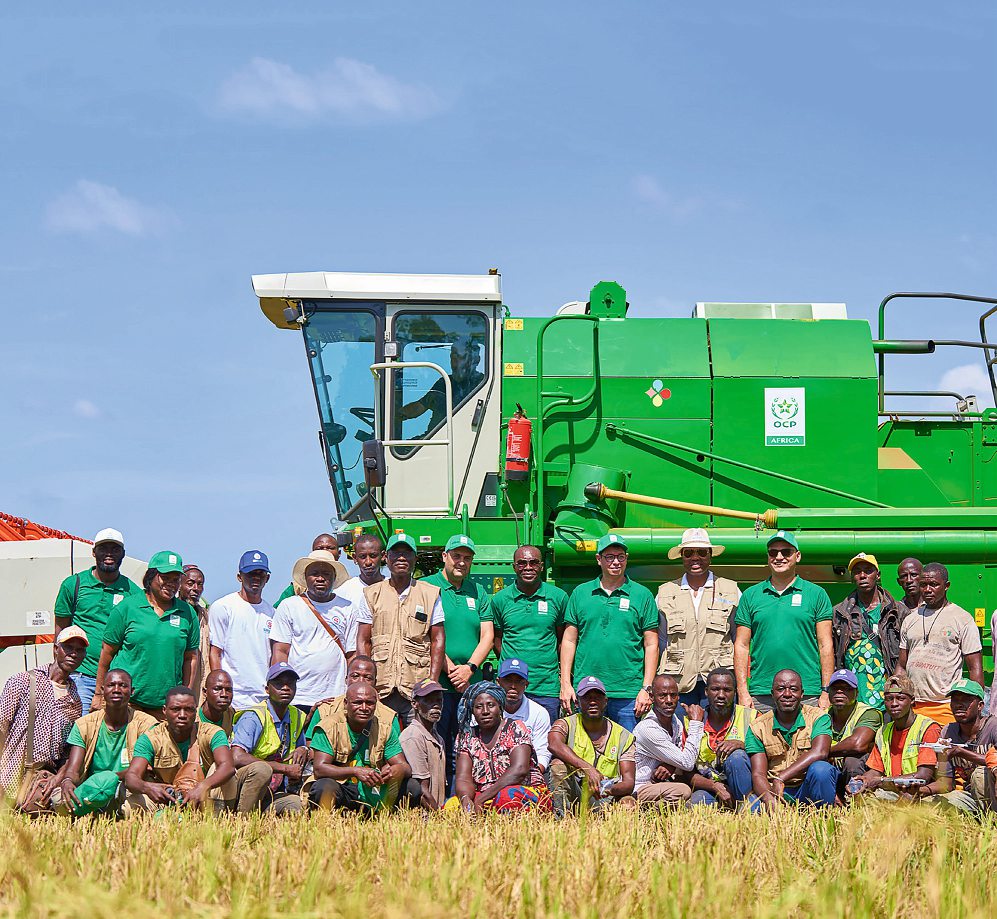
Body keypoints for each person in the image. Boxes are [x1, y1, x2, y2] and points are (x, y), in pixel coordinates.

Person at [560, 534, 658, 731]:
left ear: (627, 558)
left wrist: (646, 688)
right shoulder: (581, 593)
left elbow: (651, 644)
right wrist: (565, 684)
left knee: (628, 753)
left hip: (628, 692)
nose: (616, 562)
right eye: (609, 557)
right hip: (588, 689)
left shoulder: (642, 595)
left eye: (621, 556)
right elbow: (569, 640)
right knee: (585, 752)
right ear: (598, 559)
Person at [734, 531, 833, 712]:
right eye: (773, 552)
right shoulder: (751, 595)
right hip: (762, 693)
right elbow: (741, 645)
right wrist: (742, 690)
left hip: (807, 693)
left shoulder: (816, 594)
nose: (779, 557)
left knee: (807, 741)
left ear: (798, 556)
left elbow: (825, 645)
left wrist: (826, 691)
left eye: (786, 552)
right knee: (761, 741)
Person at [424, 535, 494, 787]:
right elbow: (424, 633)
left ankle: (459, 797)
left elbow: (487, 635)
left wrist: (469, 669)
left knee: (464, 746)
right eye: (457, 556)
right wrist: (451, 668)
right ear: (444, 556)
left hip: (470, 686)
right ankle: (436, 798)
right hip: (438, 684)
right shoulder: (427, 587)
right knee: (437, 743)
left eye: (467, 558)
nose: (462, 562)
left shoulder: (478, 591)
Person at [95, 551, 200, 718]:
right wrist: (98, 695)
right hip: (127, 704)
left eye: (175, 579)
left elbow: (191, 658)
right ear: (151, 577)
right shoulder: (127, 607)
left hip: (166, 709)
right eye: (165, 577)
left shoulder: (187, 613)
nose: (171, 584)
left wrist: (184, 696)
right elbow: (107, 653)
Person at [356, 534, 445, 726]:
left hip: (416, 687)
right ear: (386, 558)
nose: (401, 558)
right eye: (396, 553)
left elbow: (438, 640)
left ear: (415, 558)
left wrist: (431, 682)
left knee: (418, 742)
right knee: (379, 745)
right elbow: (364, 641)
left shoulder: (430, 594)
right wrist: (366, 683)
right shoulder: (372, 594)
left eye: (407, 553)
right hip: (381, 687)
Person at [54, 528, 138, 713]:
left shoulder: (133, 593)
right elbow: (60, 631)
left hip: (115, 682)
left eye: (115, 549)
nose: (109, 553)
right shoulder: (74, 584)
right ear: (94, 552)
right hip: (78, 677)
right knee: (78, 735)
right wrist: (59, 675)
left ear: (123, 554)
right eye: (103, 548)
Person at [0, 626, 86, 803]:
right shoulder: (23, 681)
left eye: (79, 650)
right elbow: (1, 727)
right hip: (10, 774)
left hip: (41, 782)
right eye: (68, 647)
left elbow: (67, 750)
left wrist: (58, 778)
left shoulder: (75, 700)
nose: (73, 654)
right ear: (56, 649)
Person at [55, 669, 157, 817]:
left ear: (132, 691)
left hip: (127, 787)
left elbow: (144, 769)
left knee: (136, 808)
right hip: (92, 788)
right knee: (58, 801)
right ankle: (100, 809)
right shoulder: (84, 724)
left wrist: (106, 779)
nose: (116, 690)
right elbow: (73, 768)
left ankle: (105, 811)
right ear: (102, 690)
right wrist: (68, 780)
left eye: (123, 685)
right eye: (111, 685)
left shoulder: (146, 724)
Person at [657, 528, 740, 708]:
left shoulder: (731, 589)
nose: (696, 558)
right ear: (682, 556)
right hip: (678, 682)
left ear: (710, 555)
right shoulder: (665, 592)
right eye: (689, 553)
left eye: (702, 552)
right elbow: (661, 641)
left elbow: (737, 637)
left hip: (719, 683)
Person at [307, 681, 418, 813]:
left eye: (370, 703)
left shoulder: (385, 727)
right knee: (323, 787)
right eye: (357, 703)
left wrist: (396, 770)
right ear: (345, 704)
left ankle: (385, 816)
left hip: (373, 788)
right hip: (344, 787)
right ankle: (336, 817)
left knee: (412, 787)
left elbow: (405, 767)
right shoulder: (328, 726)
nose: (364, 708)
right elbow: (320, 769)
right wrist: (355, 771)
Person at [123, 686, 236, 812]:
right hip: (166, 801)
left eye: (188, 709)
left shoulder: (212, 733)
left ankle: (216, 820)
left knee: (220, 769)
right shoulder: (150, 738)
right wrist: (148, 788)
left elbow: (228, 766)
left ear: (195, 711)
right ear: (165, 711)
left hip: (205, 799)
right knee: (130, 806)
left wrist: (203, 787)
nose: (182, 715)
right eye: (176, 709)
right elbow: (131, 777)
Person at [897, 562, 983, 727]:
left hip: (945, 707)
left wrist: (975, 711)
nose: (927, 589)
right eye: (923, 585)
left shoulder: (962, 619)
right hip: (914, 707)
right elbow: (902, 665)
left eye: (934, 584)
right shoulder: (910, 619)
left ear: (946, 586)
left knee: (943, 752)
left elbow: (975, 669)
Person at [270, 550, 354, 716]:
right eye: (315, 573)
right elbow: (280, 652)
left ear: (334, 578)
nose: (320, 578)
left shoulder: (347, 608)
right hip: (298, 696)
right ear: (306, 577)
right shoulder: (289, 606)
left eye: (326, 574)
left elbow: (352, 654)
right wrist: (280, 693)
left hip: (335, 696)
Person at [492, 544, 568, 724]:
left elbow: (561, 640)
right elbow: (497, 640)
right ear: (514, 567)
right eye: (522, 563)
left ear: (542, 566)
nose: (528, 567)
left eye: (533, 563)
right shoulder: (500, 600)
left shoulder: (558, 597)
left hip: (546, 687)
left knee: (545, 745)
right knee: (508, 742)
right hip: (511, 688)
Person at [744, 669, 837, 810]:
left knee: (821, 769)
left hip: (807, 787)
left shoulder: (818, 717)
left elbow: (821, 752)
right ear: (772, 694)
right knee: (751, 810)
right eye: (780, 689)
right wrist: (770, 801)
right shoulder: (758, 727)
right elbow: (758, 774)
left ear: (802, 694)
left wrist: (781, 777)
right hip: (776, 791)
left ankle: (822, 815)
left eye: (793, 689)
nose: (787, 694)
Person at [452, 682, 550, 813]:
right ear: (472, 711)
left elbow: (519, 770)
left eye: (491, 705)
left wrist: (481, 800)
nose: (485, 711)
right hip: (484, 797)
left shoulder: (515, 728)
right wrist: (466, 801)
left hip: (522, 791)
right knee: (451, 807)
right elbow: (463, 778)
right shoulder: (466, 737)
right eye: (478, 707)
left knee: (507, 798)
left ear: (500, 707)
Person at [548, 676, 636, 815]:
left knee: (628, 804)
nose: (593, 702)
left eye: (597, 698)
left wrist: (606, 789)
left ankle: (614, 832)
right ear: (577, 703)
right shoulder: (565, 724)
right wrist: (587, 768)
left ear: (605, 702)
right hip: (575, 792)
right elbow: (554, 744)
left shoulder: (623, 736)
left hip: (607, 796)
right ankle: (562, 820)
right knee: (558, 764)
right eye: (587, 698)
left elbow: (629, 783)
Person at [229, 662, 307, 814]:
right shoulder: (254, 716)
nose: (285, 688)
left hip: (271, 792)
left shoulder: (296, 715)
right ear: (267, 689)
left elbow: (301, 750)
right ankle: (243, 818)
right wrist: (285, 768)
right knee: (261, 769)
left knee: (296, 806)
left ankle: (263, 814)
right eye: (279, 684)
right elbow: (236, 757)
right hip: (242, 787)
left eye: (290, 684)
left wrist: (304, 749)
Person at [832, 553, 904, 712]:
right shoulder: (839, 612)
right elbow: (833, 653)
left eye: (868, 570)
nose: (862, 575)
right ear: (852, 577)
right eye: (857, 571)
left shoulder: (897, 611)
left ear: (878, 575)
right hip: (854, 698)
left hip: (889, 699)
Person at [853, 675, 942, 802]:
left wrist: (881, 781)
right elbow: (875, 771)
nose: (894, 704)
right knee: (864, 799)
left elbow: (923, 776)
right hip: (893, 791)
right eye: (889, 699)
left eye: (900, 699)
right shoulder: (883, 731)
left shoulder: (927, 728)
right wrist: (863, 781)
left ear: (912, 700)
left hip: (920, 793)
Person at [208, 551, 276, 710]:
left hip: (263, 698)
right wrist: (220, 692)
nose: (256, 578)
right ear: (239, 576)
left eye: (260, 574)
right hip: (233, 697)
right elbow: (215, 652)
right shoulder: (223, 607)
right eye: (251, 573)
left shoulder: (273, 613)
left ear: (267, 578)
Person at [924, 679, 997, 814]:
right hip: (969, 795)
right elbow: (945, 783)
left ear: (980, 705)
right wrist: (920, 790)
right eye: (955, 700)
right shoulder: (948, 731)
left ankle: (991, 823)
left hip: (993, 794)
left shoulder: (993, 726)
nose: (959, 705)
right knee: (929, 804)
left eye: (966, 700)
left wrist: (960, 752)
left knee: (980, 775)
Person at [687, 668, 754, 808]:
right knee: (695, 805)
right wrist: (714, 786)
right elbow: (686, 773)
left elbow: (767, 756)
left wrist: (742, 744)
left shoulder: (751, 717)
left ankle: (744, 807)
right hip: (712, 788)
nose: (721, 695)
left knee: (736, 756)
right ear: (706, 691)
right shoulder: (691, 722)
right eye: (715, 689)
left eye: (727, 690)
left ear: (735, 692)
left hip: (746, 787)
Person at [632, 674, 702, 806]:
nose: (669, 700)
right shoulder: (647, 729)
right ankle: (642, 810)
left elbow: (682, 755)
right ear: (652, 698)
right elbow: (686, 762)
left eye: (673, 695)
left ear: (678, 697)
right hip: (641, 787)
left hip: (662, 784)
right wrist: (696, 723)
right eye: (662, 696)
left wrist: (672, 765)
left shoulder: (676, 722)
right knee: (683, 790)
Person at [814, 669, 882, 797]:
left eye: (847, 688)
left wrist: (822, 752)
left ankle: (856, 800)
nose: (840, 692)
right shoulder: (820, 716)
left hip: (860, 768)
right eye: (835, 688)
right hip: (831, 769)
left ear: (856, 693)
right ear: (828, 693)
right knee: (817, 765)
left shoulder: (869, 713)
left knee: (852, 761)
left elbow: (858, 744)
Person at [398, 336, 484, 431]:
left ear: (476, 360)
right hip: (435, 437)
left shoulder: (483, 384)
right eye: (452, 357)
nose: (454, 363)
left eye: (459, 357)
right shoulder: (444, 383)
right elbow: (419, 407)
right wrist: (396, 414)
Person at [400, 679, 447, 811]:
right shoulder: (413, 737)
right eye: (429, 701)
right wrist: (440, 817)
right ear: (415, 704)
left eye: (439, 700)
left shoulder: (437, 737)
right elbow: (422, 791)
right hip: (423, 817)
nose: (436, 705)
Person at [496, 659, 551, 769]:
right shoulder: (485, 711)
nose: (513, 686)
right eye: (507, 680)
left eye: (519, 681)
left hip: (527, 771)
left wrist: (532, 776)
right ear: (498, 682)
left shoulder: (539, 713)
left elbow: (542, 753)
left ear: (526, 684)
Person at [274, 534, 342, 607]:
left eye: (330, 548)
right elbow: (277, 610)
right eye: (320, 548)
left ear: (339, 553)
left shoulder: (349, 584)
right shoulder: (297, 587)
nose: (325, 551)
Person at [179, 565, 210, 702]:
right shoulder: (173, 613)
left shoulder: (206, 616)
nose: (195, 589)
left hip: (200, 682)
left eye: (200, 584)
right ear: (179, 584)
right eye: (190, 583)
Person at [333, 534, 385, 606]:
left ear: (383, 556)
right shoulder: (343, 592)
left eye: (373, 556)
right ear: (355, 558)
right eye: (362, 557)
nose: (368, 562)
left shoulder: (394, 588)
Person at [198, 669, 234, 736]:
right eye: (217, 689)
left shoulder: (232, 717)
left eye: (228, 690)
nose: (224, 694)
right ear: (205, 692)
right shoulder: (193, 720)